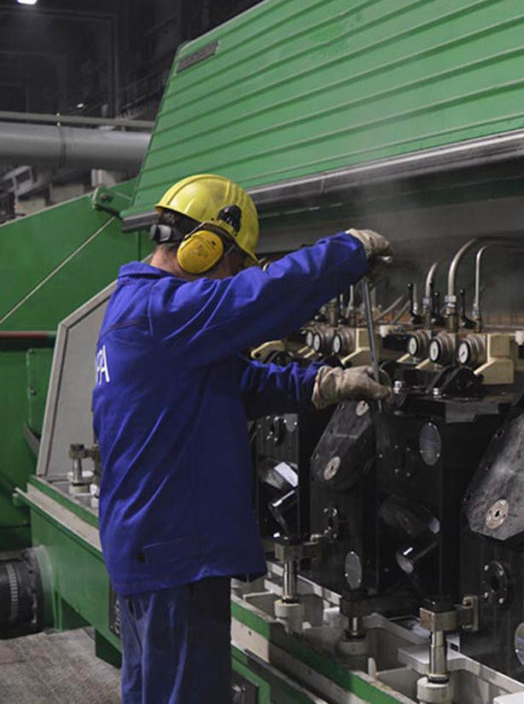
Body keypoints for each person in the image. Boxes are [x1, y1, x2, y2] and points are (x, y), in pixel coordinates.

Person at [92, 173, 392, 703]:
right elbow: (262, 298)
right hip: (174, 557)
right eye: (232, 263)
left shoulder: (142, 309)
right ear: (204, 246)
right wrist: (348, 252)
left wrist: (324, 384)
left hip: (151, 550)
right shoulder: (162, 310)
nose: (230, 277)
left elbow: (237, 381)